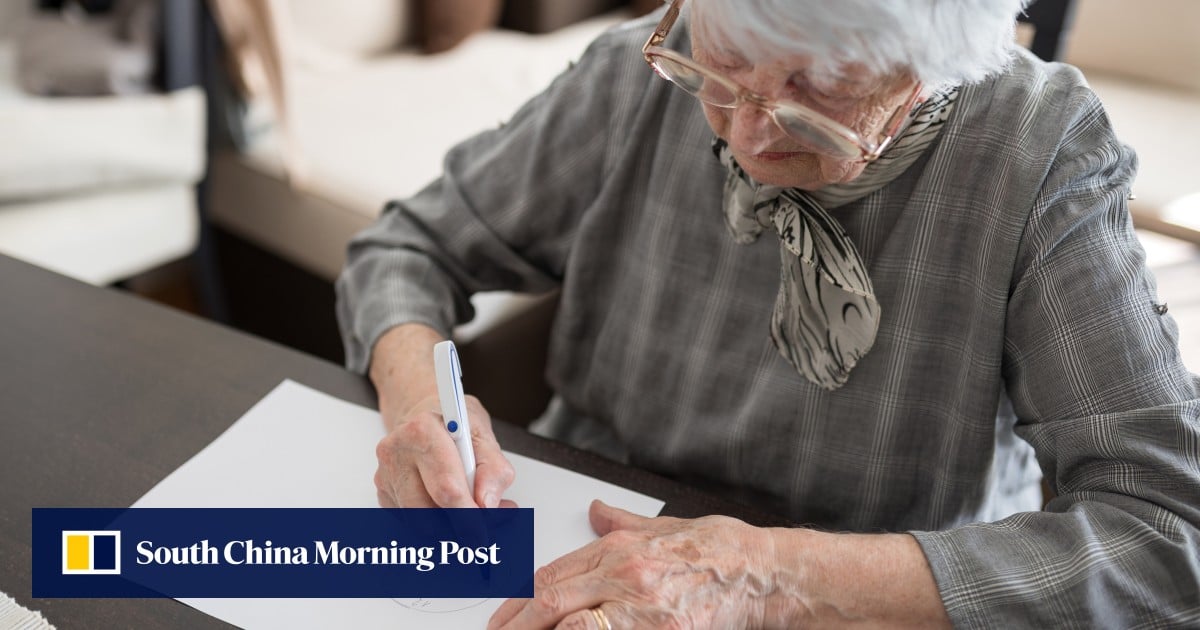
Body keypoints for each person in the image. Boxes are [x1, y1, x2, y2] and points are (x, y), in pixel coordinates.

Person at [336, 0, 1200, 626]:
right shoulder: (630, 73)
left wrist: (765, 575)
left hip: (858, 603)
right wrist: (419, 404)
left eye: (815, 88)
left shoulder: (1037, 148)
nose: (746, 137)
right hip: (569, 540)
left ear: (935, 58)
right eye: (719, 65)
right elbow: (408, 248)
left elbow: (1170, 533)